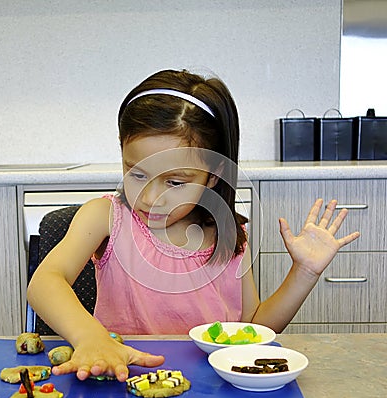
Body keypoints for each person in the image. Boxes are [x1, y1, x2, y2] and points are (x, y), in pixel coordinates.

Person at [27, 69, 360, 382]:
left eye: (174, 182)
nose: (149, 196)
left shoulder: (229, 236)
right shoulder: (105, 216)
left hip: (210, 388)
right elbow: (45, 283)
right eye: (137, 174)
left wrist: (304, 272)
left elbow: (254, 327)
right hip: (119, 378)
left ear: (213, 175)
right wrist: (91, 338)